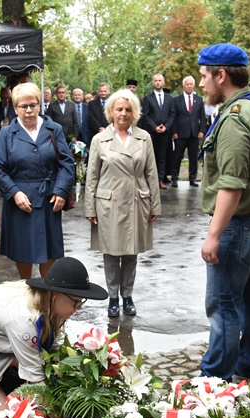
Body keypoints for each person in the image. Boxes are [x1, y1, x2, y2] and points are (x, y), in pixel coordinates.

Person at [0, 257, 108, 418]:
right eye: (76, 302)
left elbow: (49, 355)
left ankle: (4, 387)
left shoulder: (46, 301)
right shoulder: (24, 319)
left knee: (29, 379)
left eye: (81, 302)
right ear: (57, 294)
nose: (79, 308)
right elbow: (37, 381)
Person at [197, 43, 250, 383]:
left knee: (223, 304)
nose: (201, 84)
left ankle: (214, 379)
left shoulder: (234, 118)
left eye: (204, 76)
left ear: (221, 75)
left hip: (238, 226)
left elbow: (232, 184)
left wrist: (214, 234)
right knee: (249, 297)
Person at [85, 89, 161, 318]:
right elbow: (92, 177)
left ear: (134, 112)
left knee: (131, 253)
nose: (123, 113)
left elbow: (152, 172)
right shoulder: (99, 139)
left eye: (128, 109)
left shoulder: (144, 137)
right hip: (108, 204)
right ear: (111, 111)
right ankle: (113, 297)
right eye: (119, 109)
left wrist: (155, 204)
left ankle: (127, 296)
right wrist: (90, 207)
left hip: (137, 202)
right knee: (111, 253)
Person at [0, 82, 75, 280]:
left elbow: (67, 163)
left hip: (49, 198)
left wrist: (61, 190)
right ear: (15, 108)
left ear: (40, 105)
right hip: (21, 201)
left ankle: (46, 295)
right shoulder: (6, 133)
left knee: (49, 251)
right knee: (23, 251)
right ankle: (26, 290)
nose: (29, 110)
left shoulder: (53, 129)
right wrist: (14, 193)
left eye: (33, 105)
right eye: (23, 106)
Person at [170, 76, 207, 187]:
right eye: (187, 84)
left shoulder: (199, 99)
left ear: (194, 86)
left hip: (194, 133)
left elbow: (202, 117)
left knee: (193, 157)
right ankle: (174, 178)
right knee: (177, 157)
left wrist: (202, 131)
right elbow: (173, 117)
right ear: (183, 86)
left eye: (191, 84)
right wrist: (174, 132)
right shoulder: (176, 100)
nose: (189, 86)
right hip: (180, 134)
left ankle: (192, 178)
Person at [141, 73, 174, 189]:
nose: (158, 83)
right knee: (151, 157)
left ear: (163, 82)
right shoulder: (148, 98)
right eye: (156, 81)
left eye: (160, 80)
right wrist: (154, 127)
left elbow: (172, 115)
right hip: (152, 132)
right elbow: (145, 115)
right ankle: (151, 181)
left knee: (162, 156)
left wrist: (166, 127)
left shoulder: (169, 98)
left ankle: (160, 180)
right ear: (153, 83)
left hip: (165, 132)